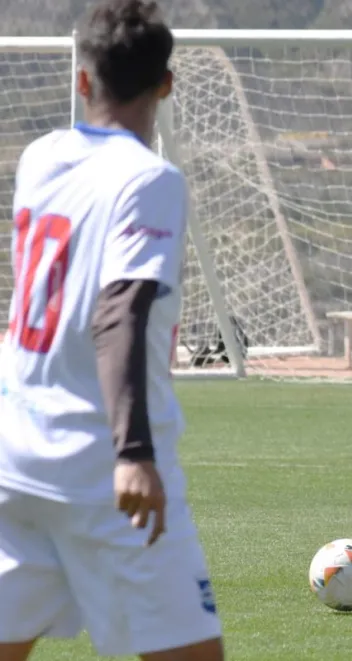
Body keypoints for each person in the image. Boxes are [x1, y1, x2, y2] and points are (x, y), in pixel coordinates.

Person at [0, 1, 224, 659]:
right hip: (98, 470)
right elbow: (120, 310)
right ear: (166, 84)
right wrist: (134, 453)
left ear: (82, 79)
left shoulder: (39, 158)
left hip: (15, 455)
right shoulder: (149, 180)